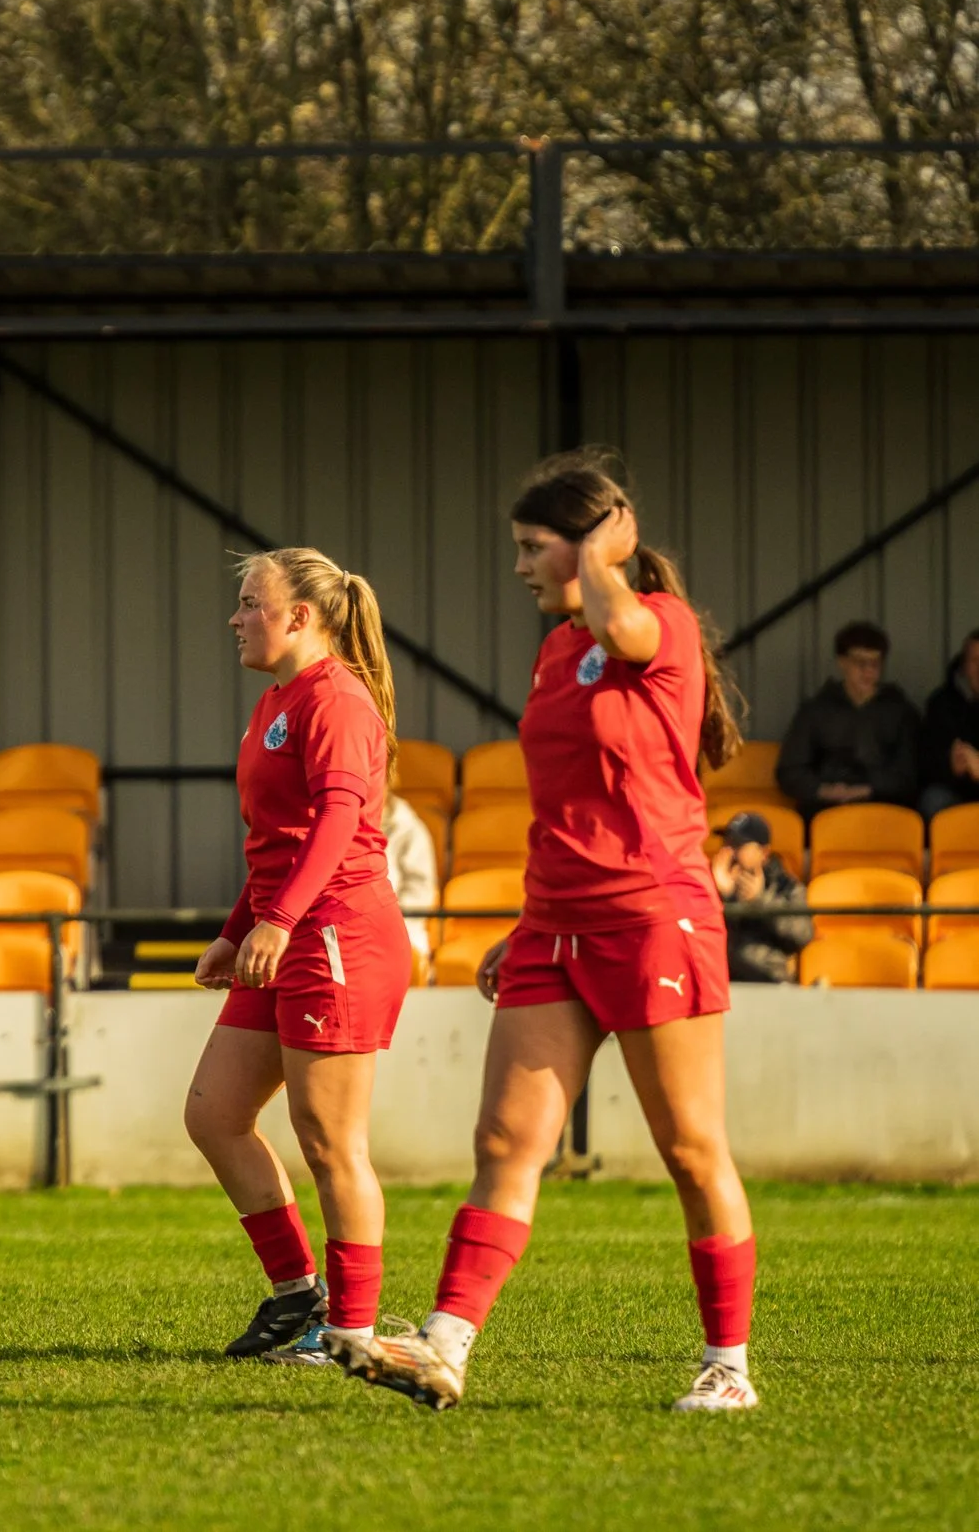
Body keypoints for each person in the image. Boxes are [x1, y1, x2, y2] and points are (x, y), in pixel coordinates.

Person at [332, 451, 761, 1414]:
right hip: (557, 928)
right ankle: (445, 1346)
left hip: (656, 921)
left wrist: (609, 555)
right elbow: (569, 802)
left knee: (691, 1149)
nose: (520, 565)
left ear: (596, 543)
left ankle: (728, 1366)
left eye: (534, 546)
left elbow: (626, 620)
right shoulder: (560, 646)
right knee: (505, 1141)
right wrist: (527, 920)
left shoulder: (660, 627)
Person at [185, 548, 407, 1368]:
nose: (236, 616)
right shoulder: (277, 699)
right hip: (286, 930)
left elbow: (339, 819)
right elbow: (276, 844)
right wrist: (237, 927)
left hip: (337, 933)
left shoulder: (337, 698)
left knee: (330, 1139)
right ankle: (296, 1296)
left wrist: (274, 920)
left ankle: (348, 1330)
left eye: (250, 602)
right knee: (213, 1112)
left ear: (300, 617)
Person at [776, 621, 923, 817]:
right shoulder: (816, 710)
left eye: (875, 664)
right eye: (860, 663)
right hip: (825, 806)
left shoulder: (901, 711)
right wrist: (824, 791)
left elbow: (909, 774)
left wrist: (866, 790)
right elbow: (790, 769)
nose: (868, 671)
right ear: (842, 661)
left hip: (886, 805)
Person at [712, 812, 812, 985]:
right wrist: (722, 896)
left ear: (764, 853)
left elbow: (801, 934)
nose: (729, 852)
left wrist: (760, 901)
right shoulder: (711, 882)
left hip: (766, 981)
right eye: (726, 843)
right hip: (718, 979)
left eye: (738, 845)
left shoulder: (784, 886)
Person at [920, 627, 979, 817]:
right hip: (955, 791)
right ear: (963, 665)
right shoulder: (941, 703)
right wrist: (951, 766)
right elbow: (925, 763)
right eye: (975, 661)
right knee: (933, 799)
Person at [382, 792, 440, 962]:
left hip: (402, 924)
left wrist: (386, 919)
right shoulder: (344, 822)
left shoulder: (410, 828)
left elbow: (420, 888)